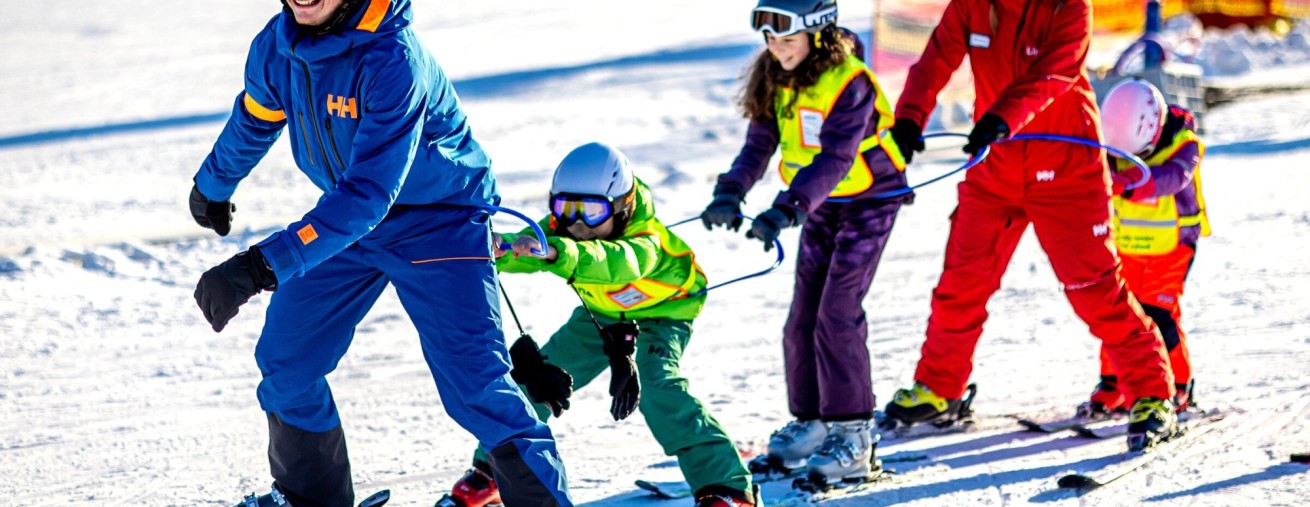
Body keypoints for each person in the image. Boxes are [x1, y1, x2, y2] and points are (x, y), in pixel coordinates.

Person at [187, 1, 572, 505]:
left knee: (478, 390)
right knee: (288, 362)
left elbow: (369, 192)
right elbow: (256, 118)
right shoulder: (278, 45)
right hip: (347, 220)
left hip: (440, 222)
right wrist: (214, 183)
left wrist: (261, 266)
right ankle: (311, 498)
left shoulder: (393, 58)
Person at [880, 0, 1180, 451]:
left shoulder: (1071, 7)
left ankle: (1153, 392)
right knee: (962, 283)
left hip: (1065, 168)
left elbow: (1055, 73)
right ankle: (940, 389)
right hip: (994, 169)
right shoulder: (973, 5)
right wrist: (909, 117)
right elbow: (935, 59)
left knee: (1094, 288)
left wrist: (1002, 118)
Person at [438, 143, 756, 507]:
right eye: (565, 208)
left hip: (665, 313)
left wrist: (558, 252)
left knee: (658, 386)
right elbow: (531, 246)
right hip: (601, 314)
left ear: (622, 207)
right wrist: (500, 247)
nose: (576, 223)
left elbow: (616, 263)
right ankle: (493, 468)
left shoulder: (644, 240)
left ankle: (727, 486)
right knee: (539, 376)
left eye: (591, 211)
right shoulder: (568, 230)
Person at [701, 0, 910, 483]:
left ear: (817, 34)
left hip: (869, 198)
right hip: (819, 203)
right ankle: (814, 423)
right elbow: (760, 144)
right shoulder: (777, 74)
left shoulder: (848, 81)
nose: (776, 48)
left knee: (837, 313)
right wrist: (729, 192)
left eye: (787, 39)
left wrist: (787, 208)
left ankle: (855, 435)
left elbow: (836, 159)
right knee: (802, 319)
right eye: (770, 39)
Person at [1079, 79, 1209, 418]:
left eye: (1138, 154)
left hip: (1171, 252)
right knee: (1119, 312)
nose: (1126, 161)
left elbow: (1172, 177)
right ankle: (1114, 382)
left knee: (1159, 315)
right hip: (1125, 248)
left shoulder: (1185, 145)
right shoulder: (1112, 147)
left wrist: (1130, 182)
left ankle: (1177, 384)